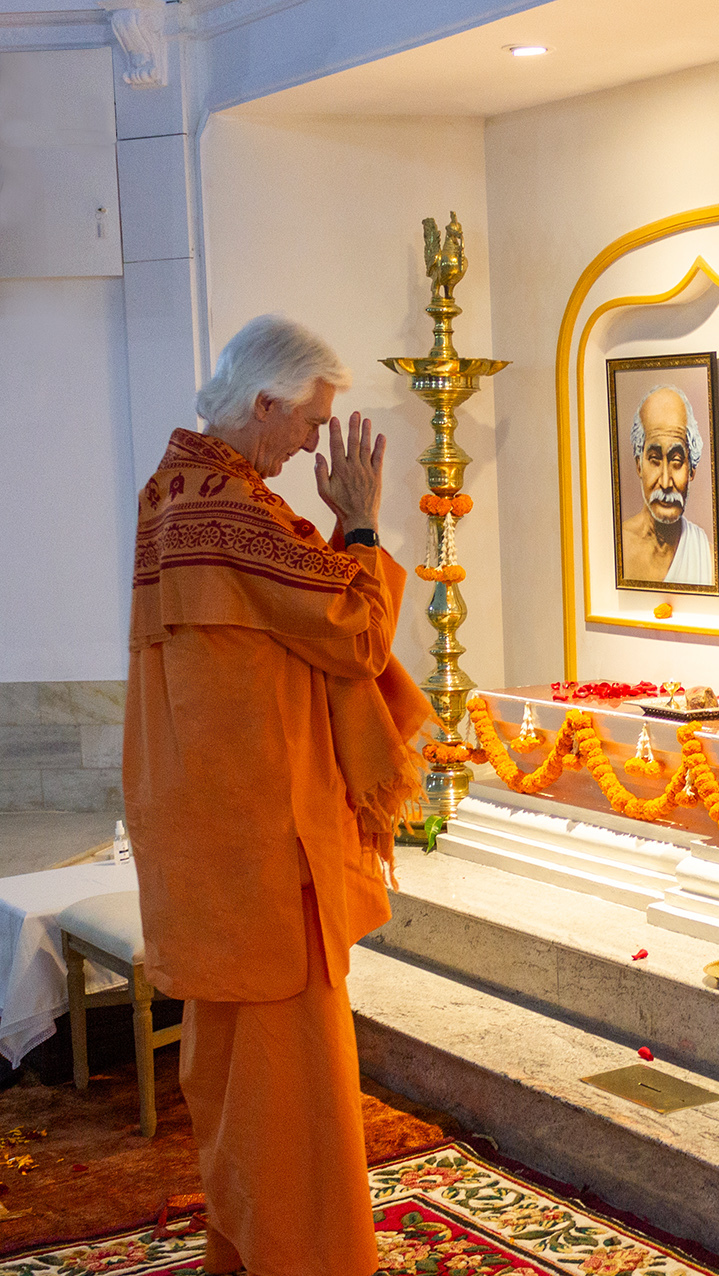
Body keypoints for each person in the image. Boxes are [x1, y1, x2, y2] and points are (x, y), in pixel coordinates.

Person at [123, 315, 430, 1276]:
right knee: (291, 1093)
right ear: (264, 405)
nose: (311, 446)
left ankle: (247, 1249)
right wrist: (364, 521)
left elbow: (291, 625)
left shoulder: (170, 494)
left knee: (232, 1078)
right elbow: (353, 633)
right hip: (265, 849)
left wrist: (340, 536)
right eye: (309, 423)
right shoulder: (234, 512)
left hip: (208, 840)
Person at [620, 384, 714, 585]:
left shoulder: (705, 555)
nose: (665, 482)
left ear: (692, 468)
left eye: (676, 461)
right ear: (639, 465)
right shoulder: (616, 547)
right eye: (654, 459)